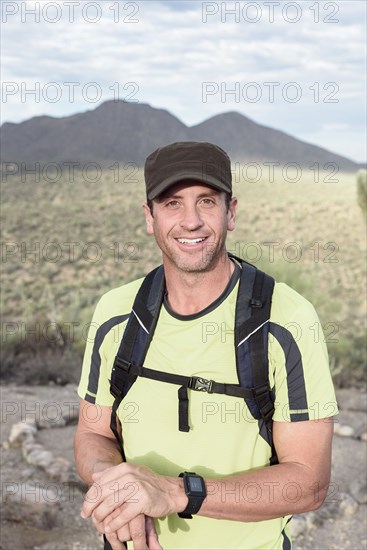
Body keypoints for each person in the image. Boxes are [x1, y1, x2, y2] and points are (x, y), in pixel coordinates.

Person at [74, 141, 338, 550]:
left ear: (230, 212)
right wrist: (117, 487)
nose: (191, 221)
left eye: (207, 201)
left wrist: (177, 492)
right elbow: (94, 434)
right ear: (150, 217)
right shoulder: (116, 312)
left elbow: (308, 482)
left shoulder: (286, 320)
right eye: (172, 203)